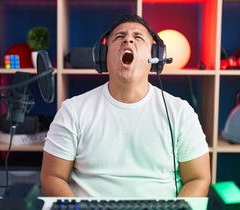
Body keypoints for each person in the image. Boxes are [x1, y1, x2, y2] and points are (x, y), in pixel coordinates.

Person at [41, 14, 211, 198]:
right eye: (119, 37)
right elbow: (52, 177)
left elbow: (198, 178)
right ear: (103, 55)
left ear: (155, 56)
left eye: (138, 37)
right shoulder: (73, 110)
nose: (128, 39)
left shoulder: (180, 112)